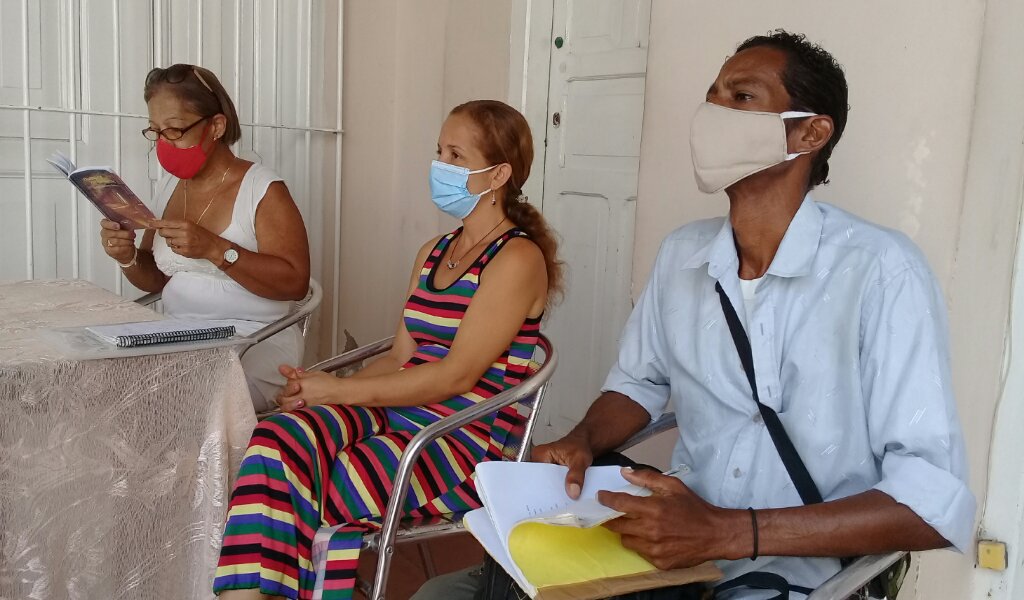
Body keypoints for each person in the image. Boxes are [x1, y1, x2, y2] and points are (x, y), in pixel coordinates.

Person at [416, 30, 975, 600]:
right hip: (662, 549)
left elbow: (931, 500)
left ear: (811, 132)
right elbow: (638, 384)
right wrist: (584, 438)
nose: (715, 113)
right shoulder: (683, 256)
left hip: (799, 574)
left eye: (743, 97)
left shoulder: (881, 272)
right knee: (441, 595)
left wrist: (728, 533)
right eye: (713, 96)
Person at [213, 100, 562, 600]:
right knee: (278, 440)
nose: (440, 165)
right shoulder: (435, 252)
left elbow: (455, 377)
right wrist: (322, 394)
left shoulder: (517, 259)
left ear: (498, 174)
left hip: (457, 440)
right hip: (397, 410)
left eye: (456, 155)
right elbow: (401, 356)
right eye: (439, 151)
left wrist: (339, 391)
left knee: (326, 481)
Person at [99, 64, 311, 411]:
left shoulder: (263, 189)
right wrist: (127, 256)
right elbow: (156, 279)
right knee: (110, 388)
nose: (164, 143)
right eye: (155, 131)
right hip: (179, 336)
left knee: (173, 402)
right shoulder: (170, 187)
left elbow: (295, 283)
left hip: (254, 340)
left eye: (175, 130)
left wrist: (216, 249)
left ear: (216, 126)